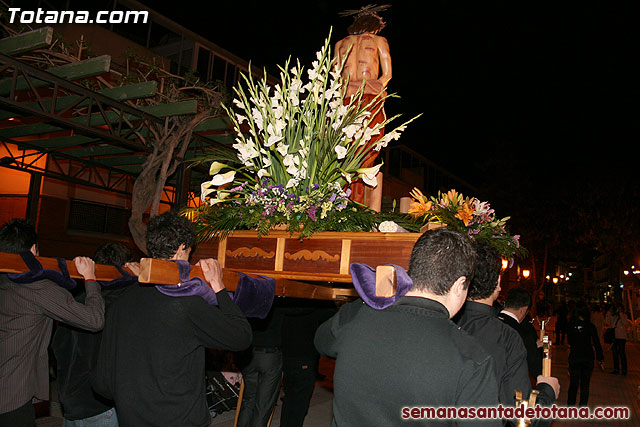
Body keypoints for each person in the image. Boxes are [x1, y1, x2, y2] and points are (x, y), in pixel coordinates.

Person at [314, 228, 501, 426]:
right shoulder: (471, 358)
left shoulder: (356, 315)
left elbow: (321, 341)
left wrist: (367, 303)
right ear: (459, 284)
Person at [92, 211, 252, 426]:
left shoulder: (123, 300)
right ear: (180, 249)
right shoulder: (186, 304)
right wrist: (219, 287)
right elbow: (241, 336)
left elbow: (103, 380)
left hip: (131, 416)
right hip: (178, 417)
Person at [0, 218, 104, 427]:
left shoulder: (5, 281)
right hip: (11, 395)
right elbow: (94, 320)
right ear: (33, 249)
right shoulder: (37, 288)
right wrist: (91, 279)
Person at [455, 242, 559, 425]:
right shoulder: (507, 338)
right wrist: (548, 391)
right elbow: (524, 418)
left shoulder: (443, 323)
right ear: (497, 283)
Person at [51, 242, 138, 427]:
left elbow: (58, 346)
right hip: (100, 404)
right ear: (124, 268)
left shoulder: (79, 300)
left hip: (72, 398)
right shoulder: (122, 304)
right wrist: (139, 281)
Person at [335, 5, 392, 204]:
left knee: (346, 150)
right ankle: (353, 201)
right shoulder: (379, 41)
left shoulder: (341, 43)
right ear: (376, 25)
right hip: (367, 96)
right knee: (365, 150)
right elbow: (387, 75)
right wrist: (373, 87)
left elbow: (335, 75)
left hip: (345, 97)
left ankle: (346, 200)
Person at [279, 300, 336, 427]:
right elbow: (331, 321)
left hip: (287, 354)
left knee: (290, 397)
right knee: (300, 401)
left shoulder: (287, 300)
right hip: (306, 355)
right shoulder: (319, 304)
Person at [235, 305, 285, 427]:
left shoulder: (250, 298)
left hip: (249, 353)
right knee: (263, 405)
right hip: (269, 355)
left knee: (248, 400)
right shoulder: (277, 301)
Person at [498, 287, 543, 378]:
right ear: (523, 310)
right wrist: (536, 348)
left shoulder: (489, 321)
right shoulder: (522, 333)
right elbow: (536, 369)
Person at [566, 302, 603, 406]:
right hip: (588, 357)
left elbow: (569, 341)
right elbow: (596, 343)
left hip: (575, 356)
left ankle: (570, 405)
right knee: (585, 384)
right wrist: (600, 358)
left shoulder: (570, 325)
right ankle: (582, 406)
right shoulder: (590, 326)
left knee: (573, 383)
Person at [605, 304, 629, 375]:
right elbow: (607, 322)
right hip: (614, 336)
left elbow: (625, 322)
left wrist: (620, 314)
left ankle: (624, 370)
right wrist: (609, 312)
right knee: (615, 353)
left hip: (621, 336)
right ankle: (616, 369)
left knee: (622, 353)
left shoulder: (624, 315)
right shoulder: (613, 315)